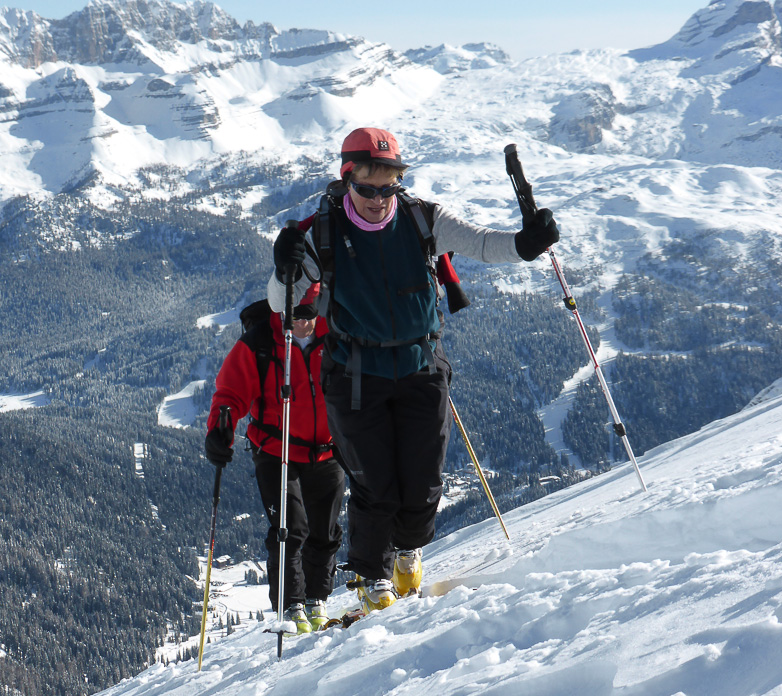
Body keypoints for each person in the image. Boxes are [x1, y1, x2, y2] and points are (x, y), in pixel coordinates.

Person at [267, 127, 559, 614]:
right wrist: (284, 267)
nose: (378, 199)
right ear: (348, 179)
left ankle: (408, 549)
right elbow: (282, 303)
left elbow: (483, 244)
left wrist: (527, 244)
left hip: (420, 367)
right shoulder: (322, 233)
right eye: (367, 188)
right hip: (356, 376)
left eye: (389, 187)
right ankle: (371, 576)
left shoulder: (423, 217)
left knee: (423, 482)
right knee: (374, 483)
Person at [205, 285, 345, 633]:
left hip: (327, 448)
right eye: (295, 317)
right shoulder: (260, 342)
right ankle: (291, 605)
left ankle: (316, 599)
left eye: (309, 316)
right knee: (289, 529)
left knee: (325, 530)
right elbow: (230, 392)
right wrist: (219, 430)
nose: (303, 324)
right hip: (275, 449)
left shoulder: (336, 331)